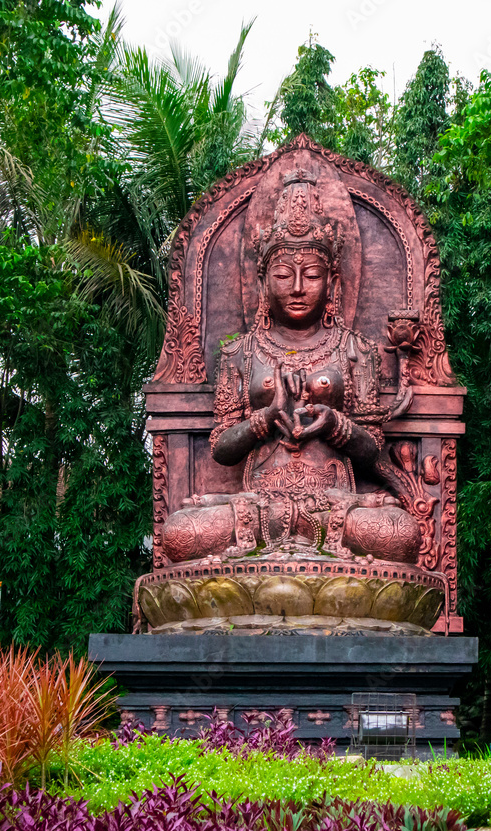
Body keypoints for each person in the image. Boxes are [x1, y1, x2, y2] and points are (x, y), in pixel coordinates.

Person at [160, 170, 420, 564]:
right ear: (263, 281)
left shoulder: (356, 350)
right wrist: (266, 417)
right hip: (256, 510)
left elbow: (372, 449)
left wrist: (334, 424)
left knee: (401, 534)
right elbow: (221, 448)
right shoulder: (240, 354)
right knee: (179, 532)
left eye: (312, 275)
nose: (298, 286)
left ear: (331, 282)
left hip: (336, 509)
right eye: (283, 275)